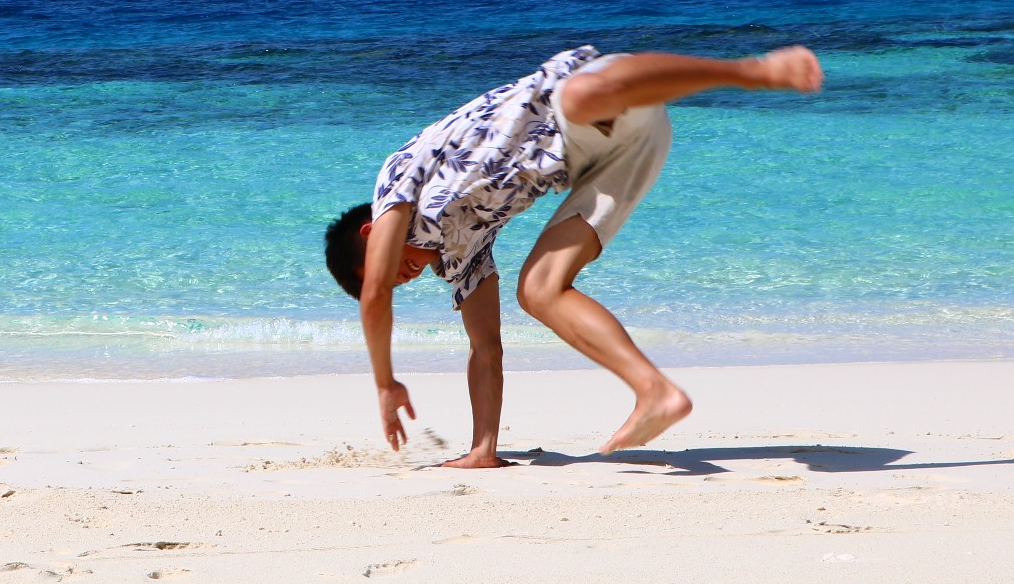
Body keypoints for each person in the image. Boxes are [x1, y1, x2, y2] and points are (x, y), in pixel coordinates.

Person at [325, 45, 823, 466]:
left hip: (576, 103)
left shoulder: (396, 180)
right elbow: (486, 350)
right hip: (613, 158)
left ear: (370, 233)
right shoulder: (460, 255)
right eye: (398, 284)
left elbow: (372, 299)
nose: (400, 280)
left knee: (581, 96)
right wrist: (484, 450)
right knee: (538, 290)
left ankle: (753, 71)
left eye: (388, 272)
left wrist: (386, 385)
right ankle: (654, 391)